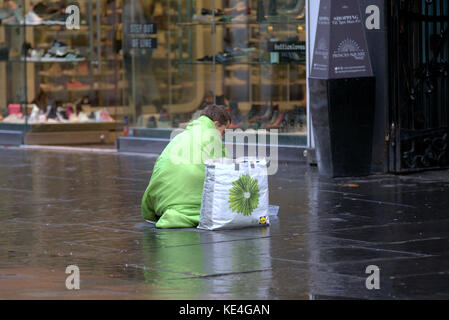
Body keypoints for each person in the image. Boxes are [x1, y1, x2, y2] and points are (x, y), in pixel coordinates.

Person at [141, 105, 231, 228]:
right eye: (223, 131)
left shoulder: (180, 136)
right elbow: (228, 172)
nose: (222, 137)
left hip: (158, 203)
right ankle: (179, 212)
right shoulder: (213, 138)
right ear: (215, 124)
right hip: (187, 204)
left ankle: (170, 209)